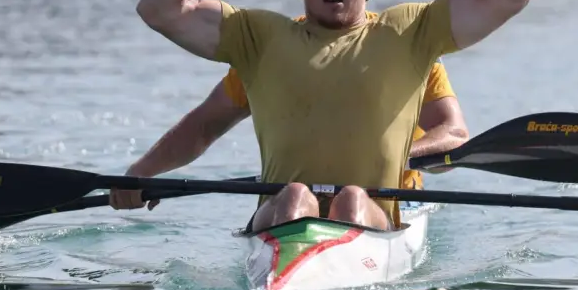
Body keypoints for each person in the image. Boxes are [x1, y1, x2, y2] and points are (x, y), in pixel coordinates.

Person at [133, 0, 533, 232]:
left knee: (353, 199)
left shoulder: (411, 32)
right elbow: (161, 10)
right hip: (281, 214)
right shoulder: (258, 38)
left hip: (373, 212)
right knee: (293, 197)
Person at [109, 54, 469, 226]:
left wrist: (391, 155)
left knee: (352, 200)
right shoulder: (268, 56)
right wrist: (140, 174)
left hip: (385, 201)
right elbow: (202, 127)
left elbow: (453, 136)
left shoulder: (408, 54)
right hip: (291, 197)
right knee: (295, 195)